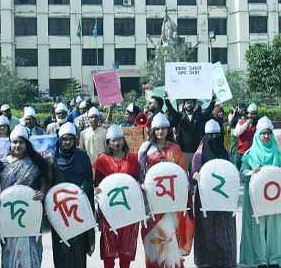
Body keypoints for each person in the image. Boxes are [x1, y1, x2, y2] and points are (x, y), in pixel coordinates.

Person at [138, 113, 194, 268]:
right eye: (157, 129)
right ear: (152, 130)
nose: (160, 132)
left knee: (169, 236)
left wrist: (184, 195)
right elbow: (140, 172)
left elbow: (182, 173)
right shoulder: (145, 149)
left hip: (171, 201)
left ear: (168, 130)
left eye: (163, 128)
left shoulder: (175, 149)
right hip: (151, 201)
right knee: (153, 237)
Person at [239, 116, 281, 268]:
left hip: (273, 199)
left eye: (269, 133)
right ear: (258, 135)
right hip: (256, 200)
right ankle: (260, 259)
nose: (266, 136)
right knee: (258, 227)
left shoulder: (277, 153)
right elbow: (242, 172)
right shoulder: (251, 154)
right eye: (263, 133)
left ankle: (275, 258)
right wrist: (252, 172)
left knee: (274, 228)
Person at [0, 125, 48, 268]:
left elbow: (43, 181)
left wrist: (41, 193)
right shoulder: (2, 164)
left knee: (31, 247)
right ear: (10, 144)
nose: (17, 145)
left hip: (31, 212)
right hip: (8, 213)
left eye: (21, 142)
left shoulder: (36, 162)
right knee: (9, 248)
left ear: (26, 144)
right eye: (14, 142)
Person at [92, 125, 141, 268]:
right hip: (109, 209)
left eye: (119, 139)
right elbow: (96, 182)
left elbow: (138, 179)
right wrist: (96, 190)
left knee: (127, 244)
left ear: (124, 140)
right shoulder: (102, 160)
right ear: (108, 143)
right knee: (109, 246)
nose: (116, 143)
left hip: (129, 209)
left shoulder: (132, 158)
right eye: (113, 140)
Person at [191, 119, 237, 268]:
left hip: (224, 197)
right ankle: (207, 260)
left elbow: (232, 172)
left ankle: (226, 258)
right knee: (207, 229)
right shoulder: (199, 155)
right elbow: (194, 173)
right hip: (205, 198)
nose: (214, 138)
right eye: (210, 135)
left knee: (225, 227)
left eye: (217, 135)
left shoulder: (226, 152)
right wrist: (196, 175)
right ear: (205, 137)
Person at [49, 123, 95, 268]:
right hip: (59, 210)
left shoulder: (82, 157)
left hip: (78, 210)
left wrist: (84, 188)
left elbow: (88, 178)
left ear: (75, 140)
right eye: (64, 139)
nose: (67, 142)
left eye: (70, 139)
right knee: (61, 246)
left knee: (78, 246)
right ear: (59, 140)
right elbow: (48, 183)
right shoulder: (52, 159)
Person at [165, 94, 216, 170]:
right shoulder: (179, 117)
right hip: (183, 151)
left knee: (195, 173)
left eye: (191, 103)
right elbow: (171, 110)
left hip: (197, 152)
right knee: (183, 174)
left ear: (194, 104)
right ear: (184, 105)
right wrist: (166, 99)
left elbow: (208, 111)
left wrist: (212, 101)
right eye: (187, 103)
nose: (189, 105)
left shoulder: (199, 117)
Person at [232, 103, 258, 171]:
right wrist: (246, 124)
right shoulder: (241, 122)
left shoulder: (258, 125)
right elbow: (236, 133)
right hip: (240, 152)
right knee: (236, 170)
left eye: (254, 113)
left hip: (251, 154)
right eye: (250, 113)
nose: (252, 116)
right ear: (247, 114)